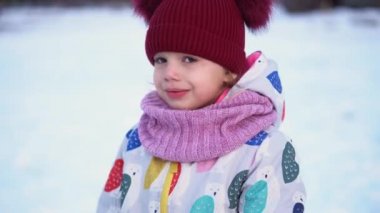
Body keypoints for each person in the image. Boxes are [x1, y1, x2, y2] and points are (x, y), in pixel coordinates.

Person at [96, 0, 306, 212]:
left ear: (229, 70)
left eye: (189, 59)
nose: (170, 73)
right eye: (161, 60)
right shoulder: (138, 140)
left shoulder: (264, 152)